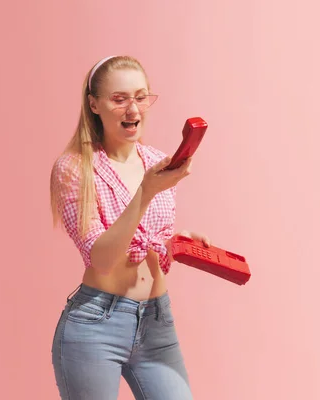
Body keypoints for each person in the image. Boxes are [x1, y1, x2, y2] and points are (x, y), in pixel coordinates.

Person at [49, 55, 210, 400]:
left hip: (156, 321)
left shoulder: (157, 162)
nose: (132, 108)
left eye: (140, 97)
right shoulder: (74, 168)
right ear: (94, 104)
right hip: (96, 324)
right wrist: (146, 191)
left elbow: (145, 239)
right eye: (118, 99)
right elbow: (102, 258)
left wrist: (176, 243)